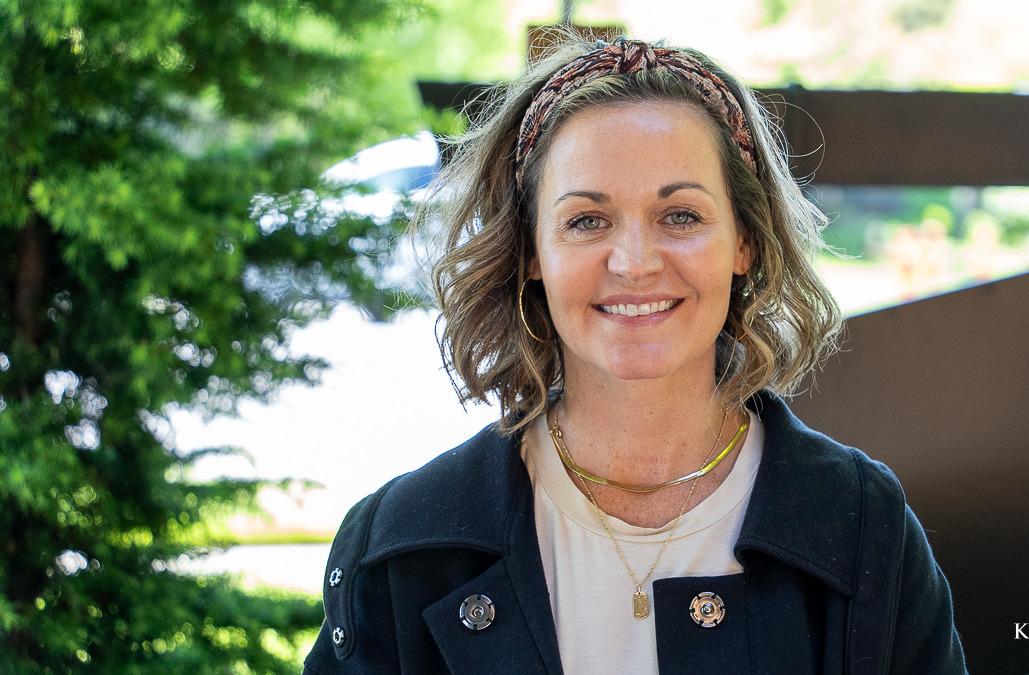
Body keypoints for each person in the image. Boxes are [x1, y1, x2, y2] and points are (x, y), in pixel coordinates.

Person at [303, 35, 967, 674]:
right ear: (532, 252)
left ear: (745, 241)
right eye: (587, 219)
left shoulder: (862, 529)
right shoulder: (400, 550)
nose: (634, 262)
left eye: (680, 215)